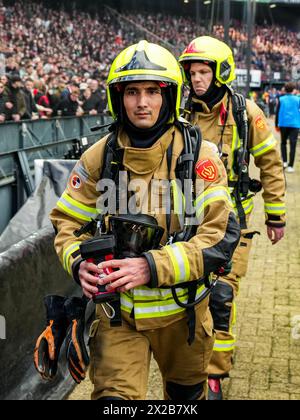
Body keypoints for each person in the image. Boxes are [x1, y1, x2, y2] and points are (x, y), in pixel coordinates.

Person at [49, 40, 240, 400]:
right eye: (132, 91)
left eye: (153, 91)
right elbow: (65, 224)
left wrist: (150, 266)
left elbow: (220, 236)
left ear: (169, 95)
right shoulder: (98, 157)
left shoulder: (200, 155)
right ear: (117, 98)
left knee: (186, 399)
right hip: (117, 316)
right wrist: (77, 263)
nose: (142, 103)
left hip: (183, 315)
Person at [179, 36, 286, 400]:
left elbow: (270, 164)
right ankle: (186, 362)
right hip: (188, 218)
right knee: (189, 292)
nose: (197, 80)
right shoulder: (179, 112)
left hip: (232, 221)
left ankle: (213, 375)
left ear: (220, 72)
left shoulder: (246, 114)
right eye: (192, 72)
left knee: (222, 295)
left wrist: (276, 216)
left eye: (203, 72)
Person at [275, 82, 300, 173]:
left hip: (283, 124)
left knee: (283, 143)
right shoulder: (298, 99)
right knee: (293, 145)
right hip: (295, 124)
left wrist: (276, 124)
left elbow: (277, 112)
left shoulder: (281, 99)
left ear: (285, 90)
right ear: (294, 90)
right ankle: (290, 166)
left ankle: (284, 161)